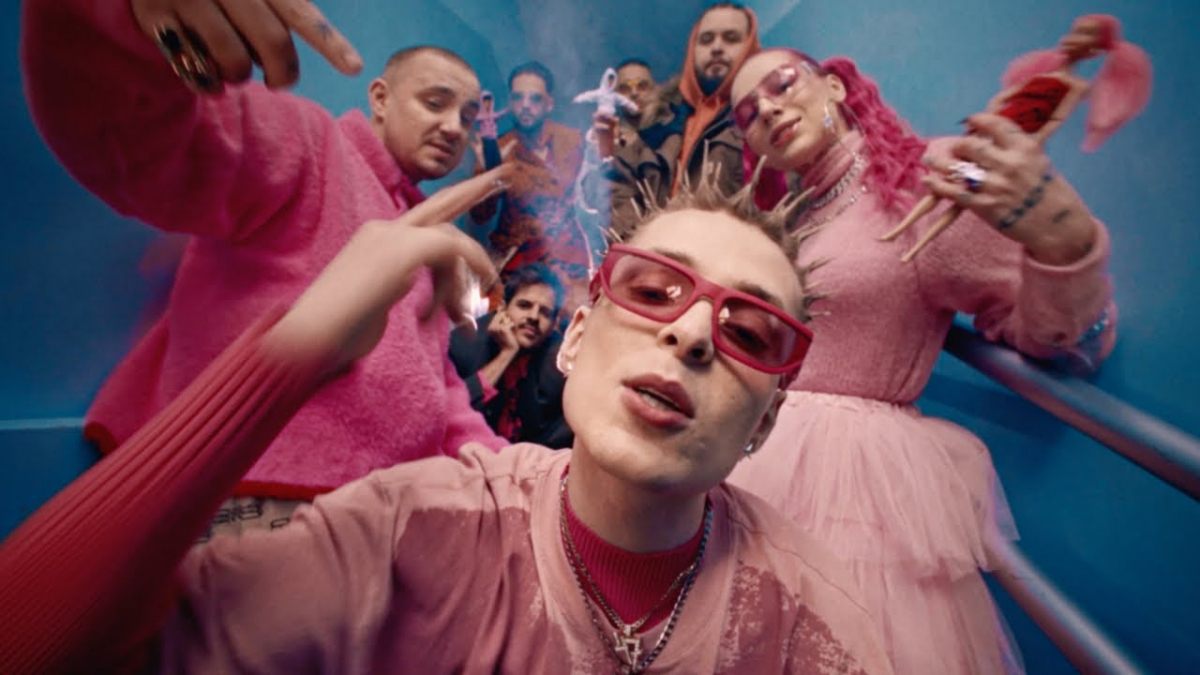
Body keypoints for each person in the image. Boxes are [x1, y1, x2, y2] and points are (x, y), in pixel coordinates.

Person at [0, 160, 894, 674]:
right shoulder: (416, 529)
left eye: (750, 331)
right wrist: (293, 349)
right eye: (654, 290)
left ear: (766, 423)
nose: (693, 332)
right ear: (577, 338)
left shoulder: (809, 616)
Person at [20, 0, 506, 527]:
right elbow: (138, 135)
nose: (454, 128)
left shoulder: (427, 234)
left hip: (385, 518)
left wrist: (515, 476)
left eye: (467, 117)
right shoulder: (310, 145)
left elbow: (437, 389)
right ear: (380, 99)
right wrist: (111, 19)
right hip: (262, 498)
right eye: (435, 103)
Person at [726, 47, 1120, 673]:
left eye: (781, 84)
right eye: (747, 113)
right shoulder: (793, 220)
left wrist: (1066, 247)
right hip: (757, 467)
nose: (767, 110)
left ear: (835, 88)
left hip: (853, 491)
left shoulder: (926, 183)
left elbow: (1058, 340)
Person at [881, 14, 1152, 261]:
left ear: (1095, 51)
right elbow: (1005, 97)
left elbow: (1055, 120)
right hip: (989, 137)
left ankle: (914, 249)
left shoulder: (1076, 86)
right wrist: (991, 118)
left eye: (1084, 35)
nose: (1072, 38)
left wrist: (1031, 144)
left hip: (1006, 147)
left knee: (962, 197)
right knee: (947, 184)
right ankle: (899, 232)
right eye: (1074, 31)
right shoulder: (1041, 75)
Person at [581, 4, 760, 224]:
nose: (716, 47)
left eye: (731, 38)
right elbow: (610, 197)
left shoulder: (765, 118)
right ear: (692, 50)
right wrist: (604, 154)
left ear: (750, 46)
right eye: (706, 40)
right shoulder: (666, 130)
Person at [469, 61, 591, 309]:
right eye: (518, 97)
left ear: (549, 104)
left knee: (578, 319)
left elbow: (595, 194)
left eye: (535, 98)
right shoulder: (499, 149)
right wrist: (487, 171)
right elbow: (480, 216)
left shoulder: (573, 140)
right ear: (510, 102)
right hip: (517, 256)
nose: (525, 105)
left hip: (568, 256)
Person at [449, 263, 573, 448]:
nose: (534, 317)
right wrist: (507, 354)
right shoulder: (464, 344)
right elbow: (450, 414)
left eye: (545, 312)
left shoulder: (561, 359)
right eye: (524, 305)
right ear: (502, 308)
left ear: (554, 323)